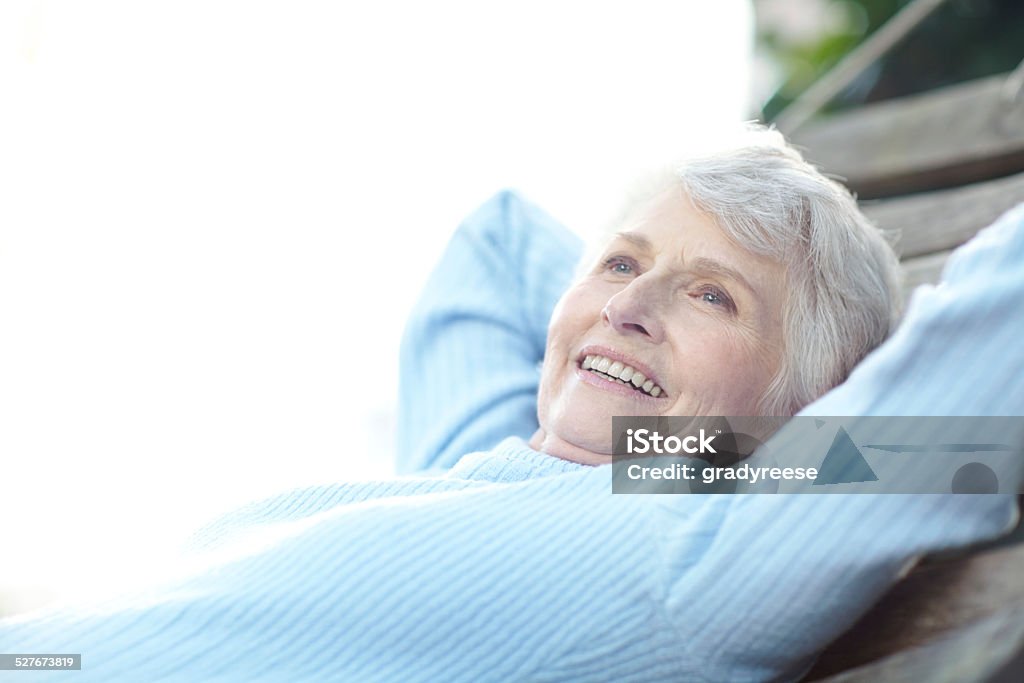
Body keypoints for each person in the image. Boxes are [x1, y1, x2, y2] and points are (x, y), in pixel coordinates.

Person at [1, 127, 1019, 682]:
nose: (626, 303)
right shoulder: (472, 466)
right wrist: (622, 349)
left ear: (811, 412)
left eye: (715, 294)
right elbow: (496, 240)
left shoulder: (707, 536)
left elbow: (947, 434)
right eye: (621, 262)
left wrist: (736, 445)